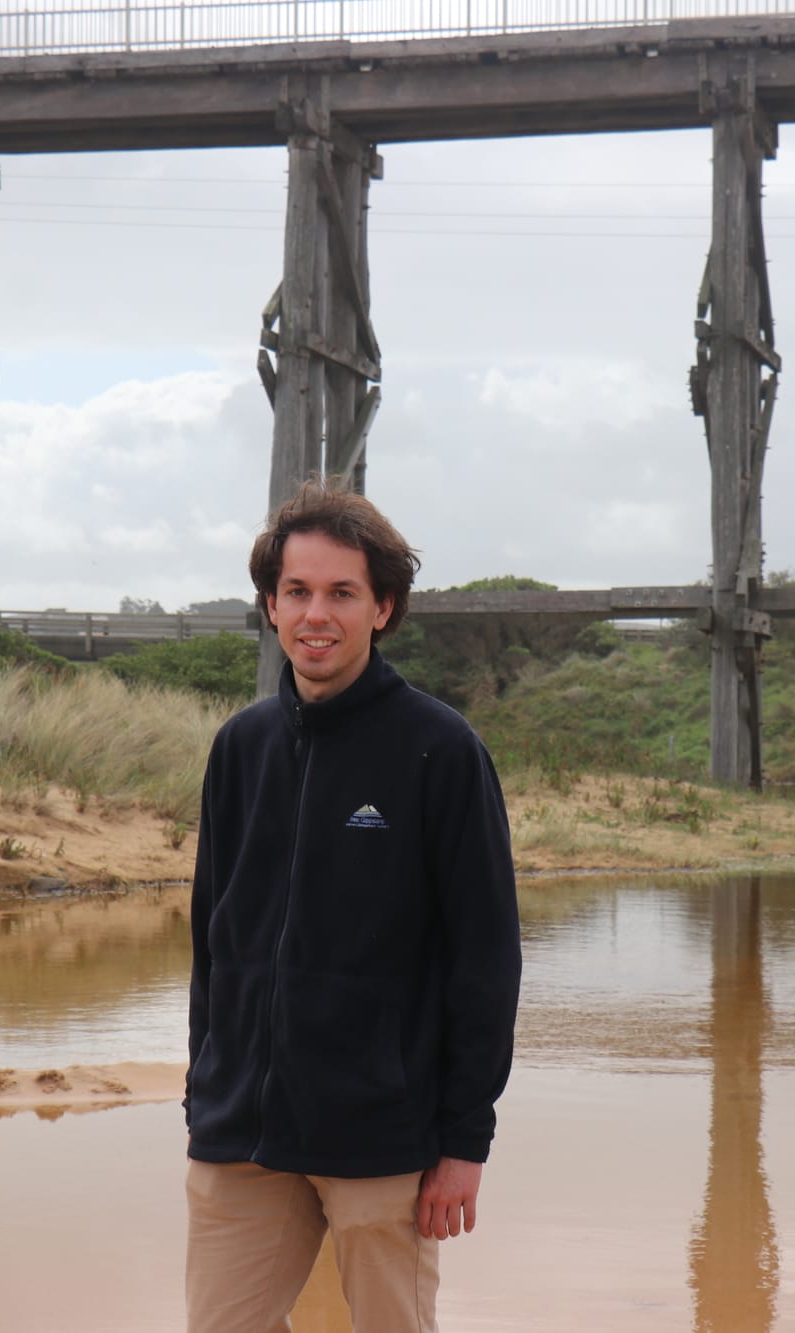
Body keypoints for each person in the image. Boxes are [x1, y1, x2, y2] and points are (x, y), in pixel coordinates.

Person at [184, 482, 523, 1332]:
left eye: (342, 592)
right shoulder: (240, 747)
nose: (316, 614)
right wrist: (206, 1086)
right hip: (242, 1136)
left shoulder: (440, 750)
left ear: (384, 607)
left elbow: (485, 961)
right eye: (297, 592)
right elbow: (211, 940)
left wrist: (463, 1142)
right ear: (270, 605)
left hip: (382, 1141)